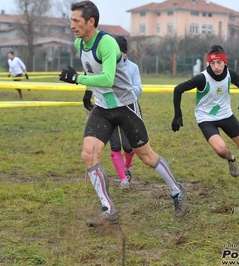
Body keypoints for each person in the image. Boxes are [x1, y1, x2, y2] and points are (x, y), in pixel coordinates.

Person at [59, 1, 187, 227]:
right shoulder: (80, 43)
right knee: (88, 154)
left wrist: (78, 79)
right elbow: (93, 72)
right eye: (71, 20)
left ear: (91, 21)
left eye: (76, 20)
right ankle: (109, 210)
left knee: (146, 156)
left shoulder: (106, 43)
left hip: (125, 106)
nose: (71, 25)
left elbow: (107, 78)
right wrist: (87, 91)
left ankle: (176, 190)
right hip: (102, 108)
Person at [172, 44, 239, 181]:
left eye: (219, 62)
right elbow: (178, 89)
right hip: (206, 118)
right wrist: (178, 115)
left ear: (225, 62)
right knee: (220, 150)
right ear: (209, 63)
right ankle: (231, 159)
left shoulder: (230, 74)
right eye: (212, 63)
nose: (216, 67)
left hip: (226, 115)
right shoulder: (202, 78)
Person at [109, 36, 142, 190]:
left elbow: (139, 89)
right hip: (108, 108)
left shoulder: (133, 68)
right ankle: (123, 179)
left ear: (125, 53)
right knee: (115, 146)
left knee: (128, 146)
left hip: (127, 108)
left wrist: (127, 89)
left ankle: (128, 166)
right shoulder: (106, 64)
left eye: (119, 52)